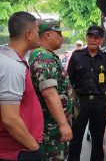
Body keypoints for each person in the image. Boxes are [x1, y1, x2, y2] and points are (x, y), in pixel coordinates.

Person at [0, 11, 44, 161]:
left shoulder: (12, 61)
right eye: (37, 32)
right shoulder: (11, 67)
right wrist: (33, 147)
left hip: (21, 149)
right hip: (18, 151)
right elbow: (10, 119)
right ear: (28, 34)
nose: (39, 36)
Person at [67, 25, 106, 161]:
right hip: (80, 101)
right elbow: (69, 78)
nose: (92, 40)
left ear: (101, 40)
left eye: (96, 37)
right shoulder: (77, 56)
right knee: (76, 137)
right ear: (86, 38)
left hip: (99, 102)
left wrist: (101, 87)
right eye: (90, 36)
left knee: (98, 137)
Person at [28, 19, 74, 160]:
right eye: (58, 33)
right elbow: (49, 94)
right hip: (51, 130)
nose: (62, 37)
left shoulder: (46, 55)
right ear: (47, 35)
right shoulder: (44, 57)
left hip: (52, 127)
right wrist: (63, 124)